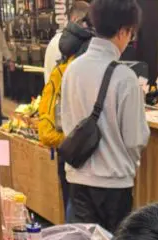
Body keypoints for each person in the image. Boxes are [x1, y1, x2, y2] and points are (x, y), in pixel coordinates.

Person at [60, 0, 150, 234]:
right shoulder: (125, 77)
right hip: (114, 186)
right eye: (131, 33)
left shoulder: (72, 69)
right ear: (122, 31)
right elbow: (135, 139)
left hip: (78, 181)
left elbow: (66, 122)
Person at [37, 2, 94, 216]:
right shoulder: (85, 52)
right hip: (79, 136)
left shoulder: (57, 44)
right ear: (79, 20)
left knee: (69, 191)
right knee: (80, 200)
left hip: (61, 131)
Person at [44, 1, 91, 82]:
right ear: (75, 19)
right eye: (87, 22)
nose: (89, 27)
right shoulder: (70, 43)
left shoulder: (54, 41)